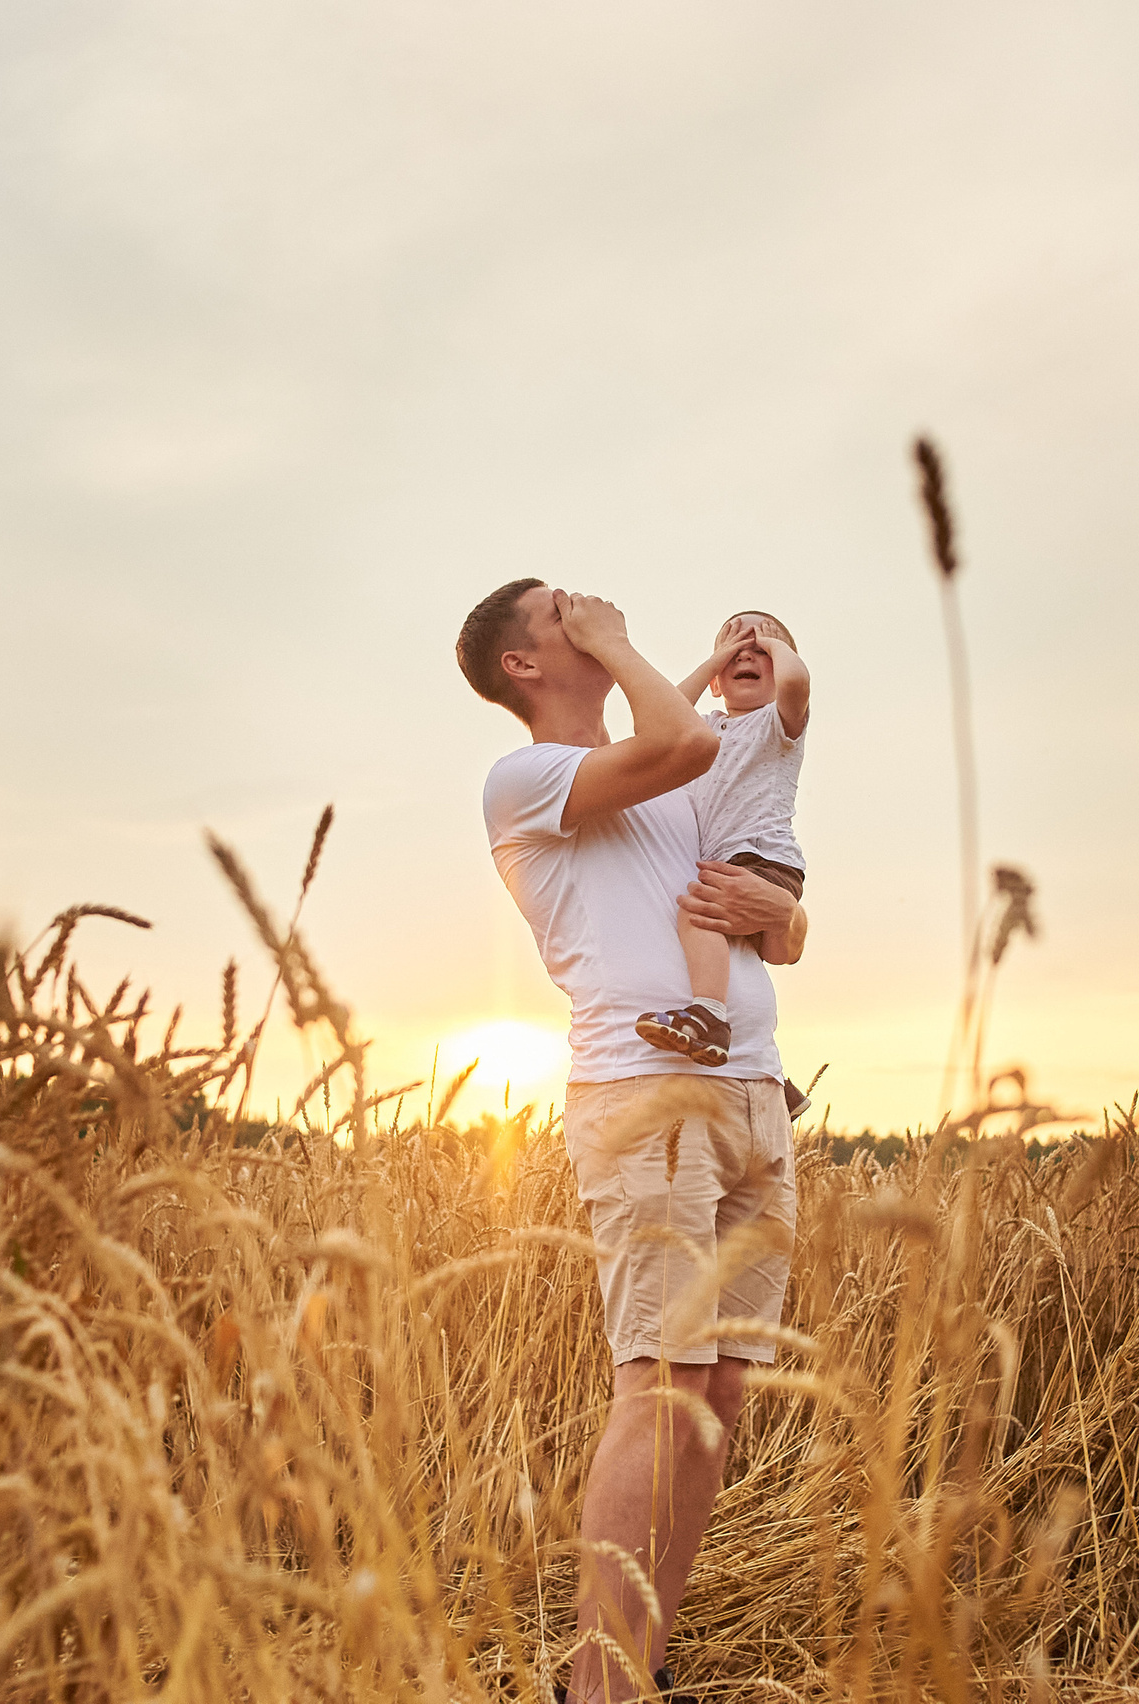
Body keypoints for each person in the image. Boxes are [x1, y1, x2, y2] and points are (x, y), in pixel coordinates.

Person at [457, 578, 807, 1704]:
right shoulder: (528, 780)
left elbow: (778, 923)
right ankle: (597, 1688)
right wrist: (623, 644)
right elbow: (686, 739)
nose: (589, 613)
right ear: (523, 664)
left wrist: (781, 914)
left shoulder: (662, 780)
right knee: (659, 1381)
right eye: (562, 614)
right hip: (648, 1096)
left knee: (718, 1394)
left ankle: (641, 1665)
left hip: (754, 1096)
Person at [633, 613, 810, 1109]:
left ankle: (708, 1016)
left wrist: (776, 648)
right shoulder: (706, 728)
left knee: (696, 915)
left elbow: (796, 682)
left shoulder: (778, 724)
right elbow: (659, 715)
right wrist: (715, 660)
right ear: (716, 680)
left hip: (761, 859)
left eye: (762, 647)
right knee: (736, 962)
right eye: (735, 645)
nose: (747, 650)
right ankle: (776, 1079)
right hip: (725, 860)